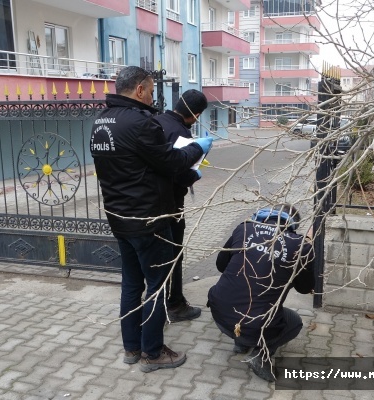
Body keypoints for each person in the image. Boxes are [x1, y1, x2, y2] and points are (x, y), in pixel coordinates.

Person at [90, 66, 214, 372]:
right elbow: (172, 162)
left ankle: (131, 348)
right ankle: (153, 352)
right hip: (149, 220)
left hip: (119, 217)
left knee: (131, 284)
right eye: (151, 89)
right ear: (140, 90)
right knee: (157, 287)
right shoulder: (140, 123)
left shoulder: (101, 122)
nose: (153, 96)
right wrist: (198, 147)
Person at [207, 203, 315, 382]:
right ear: (293, 224)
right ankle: (260, 355)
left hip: (219, 313)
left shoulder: (244, 228)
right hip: (255, 324)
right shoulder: (300, 246)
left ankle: (241, 342)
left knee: (240, 296)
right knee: (294, 323)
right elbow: (304, 289)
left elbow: (221, 265)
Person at [154, 89, 209, 322]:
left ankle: (159, 301)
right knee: (174, 255)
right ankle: (174, 304)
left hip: (148, 203)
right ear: (195, 114)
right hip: (171, 204)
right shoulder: (180, 132)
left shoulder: (155, 121)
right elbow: (177, 171)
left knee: (157, 257)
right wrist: (195, 175)